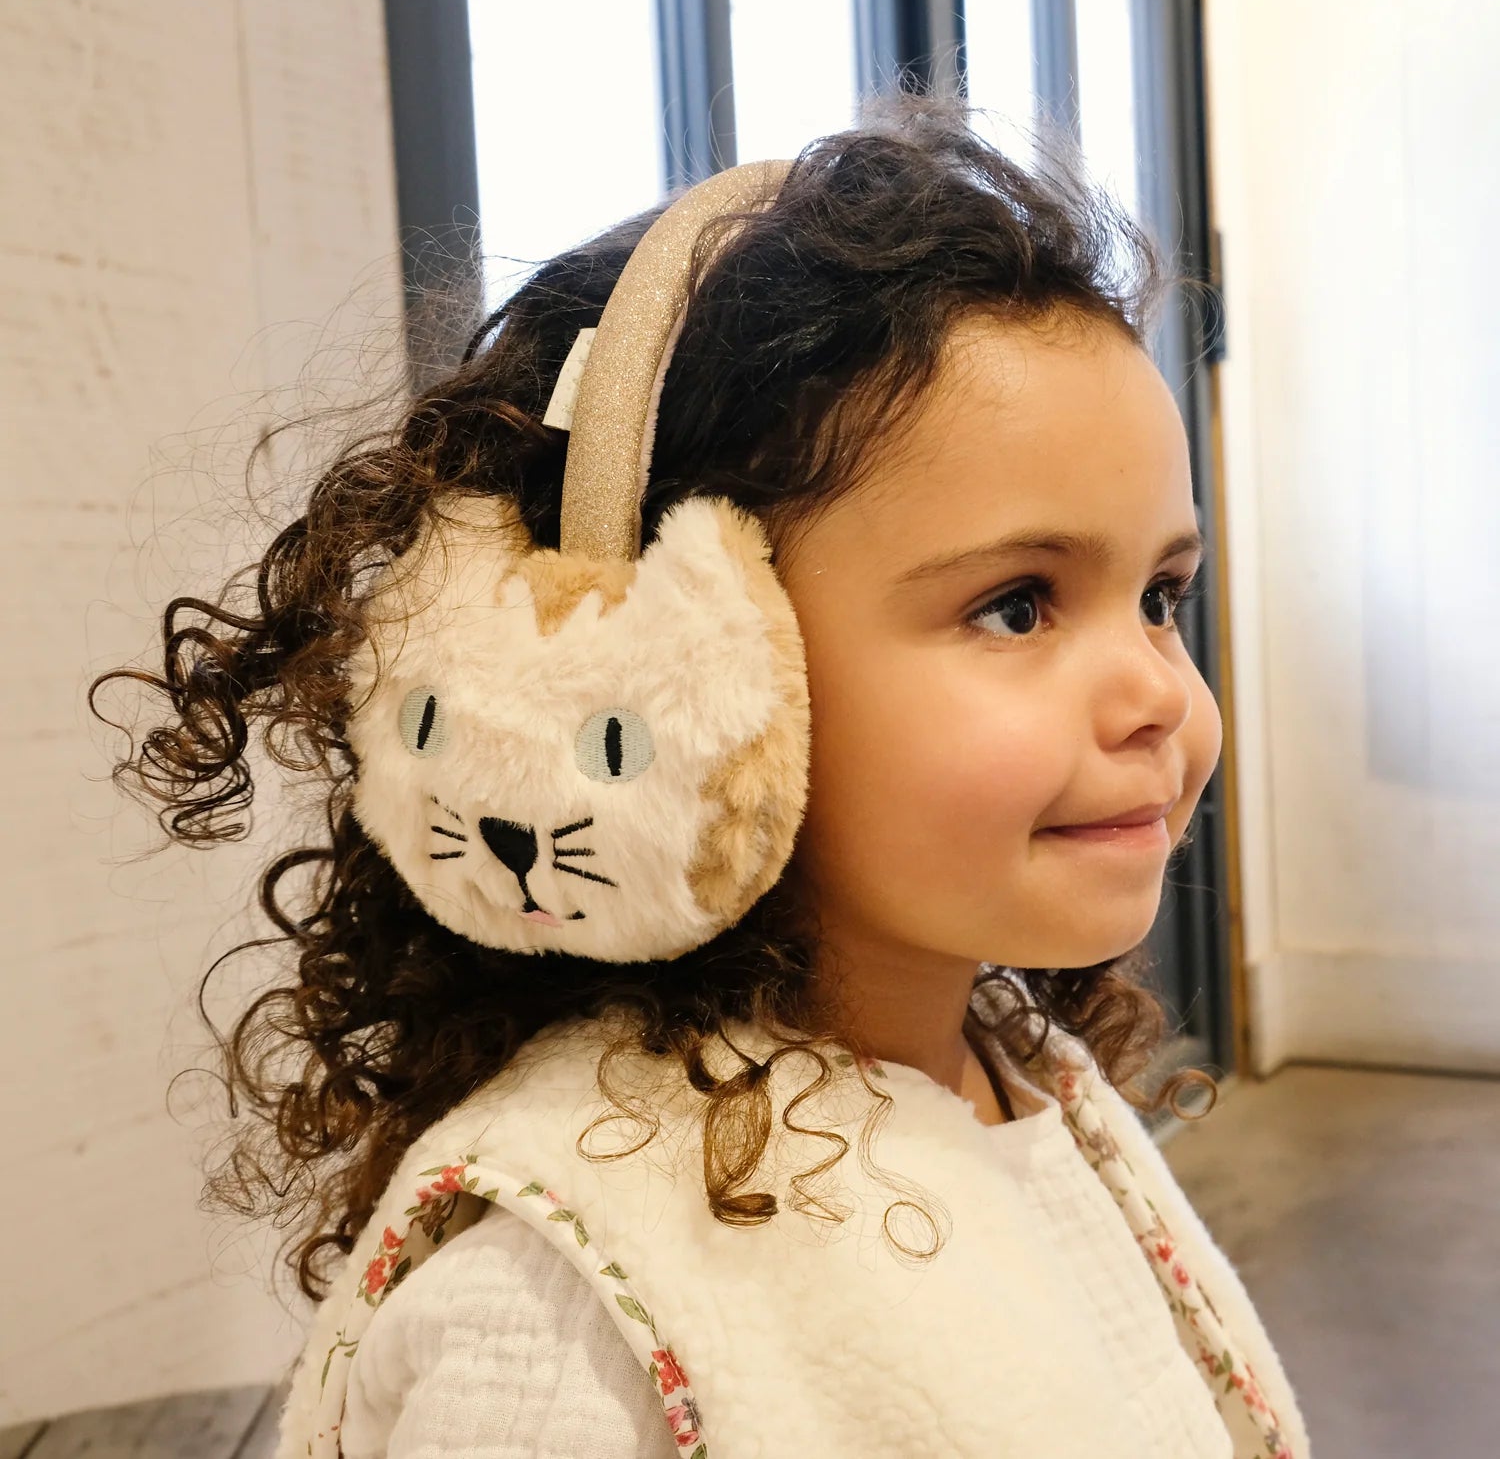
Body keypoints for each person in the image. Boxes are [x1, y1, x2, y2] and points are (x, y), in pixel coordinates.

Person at [91, 91, 1309, 1457]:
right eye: (1017, 606)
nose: (1160, 695)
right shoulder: (552, 1336)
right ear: (666, 671)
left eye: (1160, 596)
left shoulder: (1018, 1079)